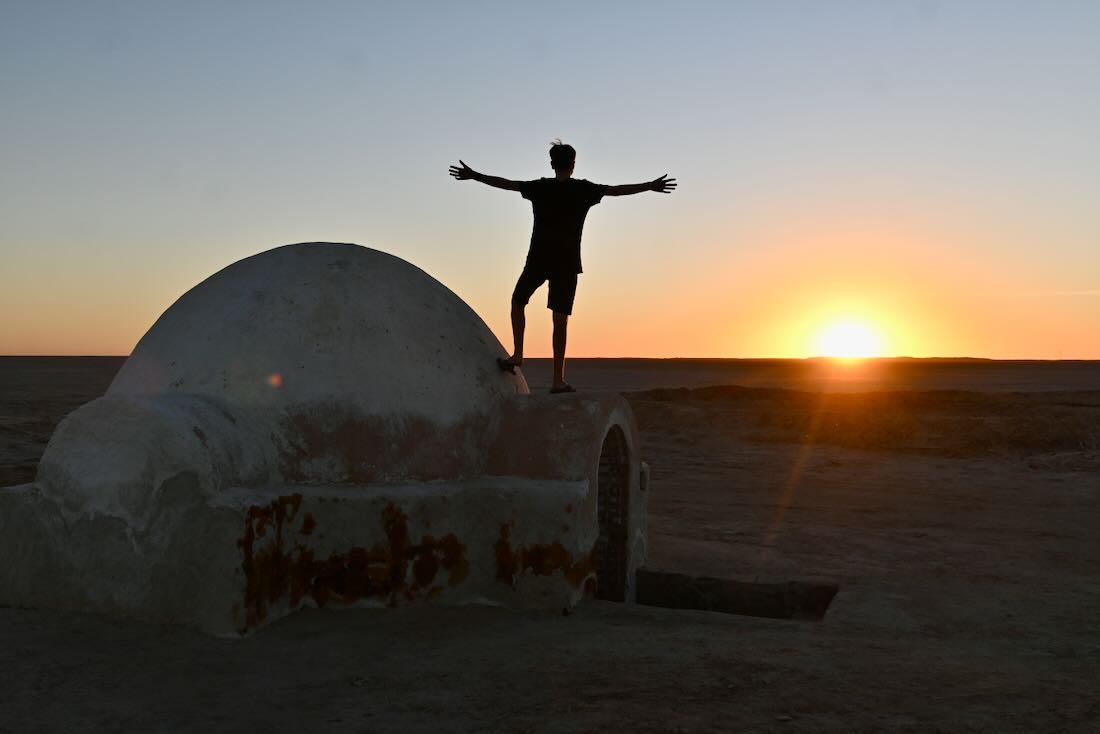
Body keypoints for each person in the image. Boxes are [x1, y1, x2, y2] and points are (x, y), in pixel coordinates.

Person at [449, 140, 676, 393]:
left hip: (540, 259)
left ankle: (518, 354)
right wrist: (650, 186)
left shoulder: (542, 187)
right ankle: (557, 379)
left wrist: (475, 176)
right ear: (573, 164)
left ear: (552, 163)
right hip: (565, 263)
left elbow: (507, 184)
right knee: (559, 321)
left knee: (518, 301)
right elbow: (617, 191)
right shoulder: (583, 190)